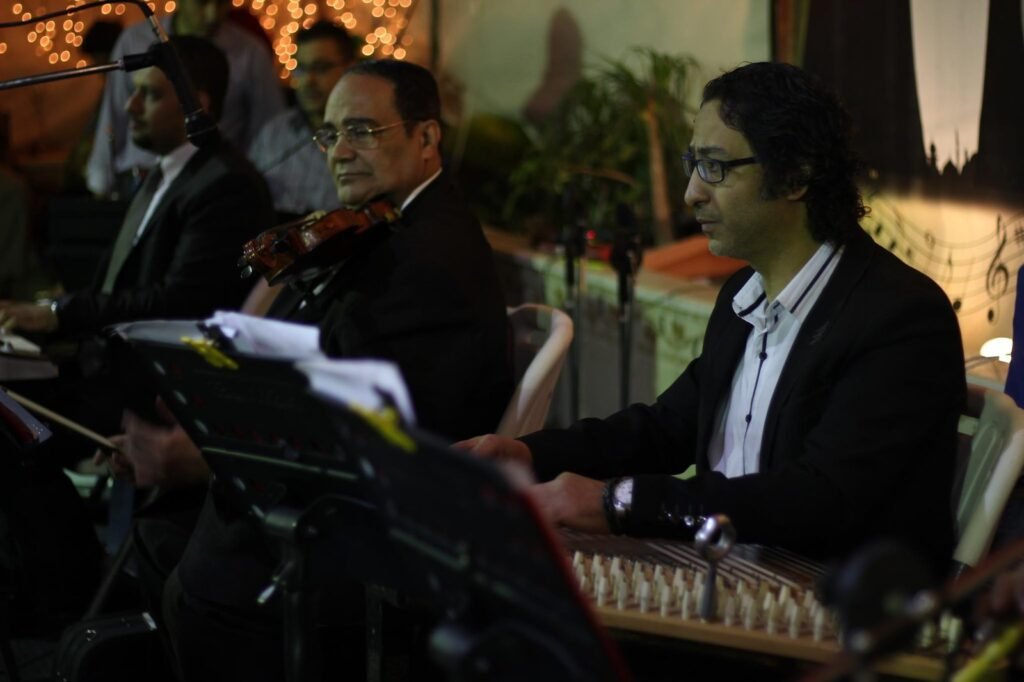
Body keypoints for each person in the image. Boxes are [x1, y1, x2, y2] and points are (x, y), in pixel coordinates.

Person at [459, 61, 966, 574]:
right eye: (693, 164)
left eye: (715, 167)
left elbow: (821, 498)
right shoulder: (743, 295)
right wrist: (530, 455)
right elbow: (666, 428)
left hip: (830, 614)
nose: (691, 193)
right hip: (728, 572)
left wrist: (620, 502)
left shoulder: (898, 315)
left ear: (796, 174)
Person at [109, 59, 511, 680]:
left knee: (185, 567)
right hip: (340, 499)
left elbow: (362, 426)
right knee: (164, 536)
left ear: (427, 138)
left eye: (363, 132)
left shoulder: (423, 259)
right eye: (330, 135)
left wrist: (198, 453)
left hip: (374, 525)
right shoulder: (390, 229)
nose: (340, 152)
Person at [0, 36, 274, 340]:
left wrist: (61, 313)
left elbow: (177, 303)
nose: (131, 106)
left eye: (150, 94)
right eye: (134, 92)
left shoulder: (227, 185)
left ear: (197, 104)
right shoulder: (170, 170)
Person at [85, 0, 285, 198]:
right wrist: (100, 184)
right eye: (201, 3)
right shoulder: (134, 39)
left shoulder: (251, 53)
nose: (212, 15)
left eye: (223, 3)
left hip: (208, 188)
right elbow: (113, 116)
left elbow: (270, 133)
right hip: (137, 185)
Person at [248, 20, 356, 222]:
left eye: (321, 68)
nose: (309, 80)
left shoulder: (361, 137)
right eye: (302, 69)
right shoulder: (273, 133)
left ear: (349, 69)